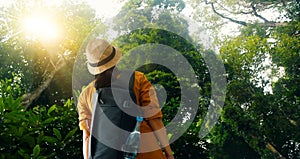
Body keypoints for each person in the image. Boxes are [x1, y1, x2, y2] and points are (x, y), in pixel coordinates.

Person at [77, 38, 174, 159]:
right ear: (115, 60)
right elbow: (154, 119)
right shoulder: (137, 79)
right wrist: (168, 152)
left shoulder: (86, 94)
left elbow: (87, 135)